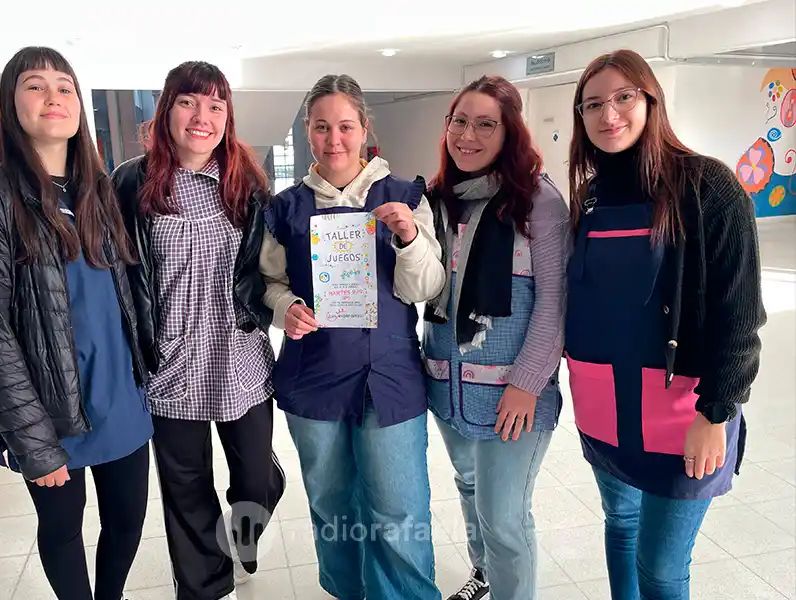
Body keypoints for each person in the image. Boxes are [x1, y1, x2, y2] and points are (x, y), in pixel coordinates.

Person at [0, 46, 153, 600]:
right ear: (10, 102)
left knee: (129, 520)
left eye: (65, 86)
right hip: (49, 406)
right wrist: (34, 443)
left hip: (118, 394)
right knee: (63, 528)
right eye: (35, 85)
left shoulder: (99, 190)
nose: (53, 97)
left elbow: (125, 294)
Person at [564, 49, 766, 599]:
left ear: (652, 101)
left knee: (660, 565)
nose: (610, 116)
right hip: (605, 408)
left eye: (624, 98)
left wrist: (716, 414)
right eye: (593, 105)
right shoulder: (590, 197)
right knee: (621, 526)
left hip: (686, 414)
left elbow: (740, 318)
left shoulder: (709, 187)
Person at [260, 74, 446, 600]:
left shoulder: (404, 196)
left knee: (399, 507)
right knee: (332, 503)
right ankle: (346, 590)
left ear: (365, 128)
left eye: (345, 126)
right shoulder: (287, 208)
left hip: (389, 377)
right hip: (312, 378)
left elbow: (426, 287)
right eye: (321, 127)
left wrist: (408, 236)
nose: (334, 139)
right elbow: (269, 283)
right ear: (308, 131)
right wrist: (286, 307)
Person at [111, 60, 285, 600]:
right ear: (167, 111)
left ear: (227, 116)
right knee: (185, 489)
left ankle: (245, 531)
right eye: (188, 102)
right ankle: (205, 585)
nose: (201, 116)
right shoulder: (132, 182)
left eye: (215, 105)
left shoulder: (248, 185)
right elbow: (116, 275)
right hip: (170, 364)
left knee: (256, 478)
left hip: (239, 356)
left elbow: (271, 268)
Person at [422, 75, 570, 600]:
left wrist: (528, 383)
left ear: (511, 132)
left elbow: (554, 303)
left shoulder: (539, 203)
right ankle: (484, 573)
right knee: (469, 487)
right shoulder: (440, 199)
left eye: (487, 124)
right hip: (448, 384)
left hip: (513, 394)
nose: (469, 135)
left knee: (504, 516)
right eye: (460, 121)